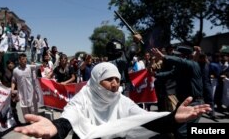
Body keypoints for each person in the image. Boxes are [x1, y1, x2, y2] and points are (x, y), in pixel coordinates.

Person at [14, 62, 211, 139]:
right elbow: (69, 117)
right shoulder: (84, 98)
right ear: (97, 81)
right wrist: (56, 127)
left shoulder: (121, 100)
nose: (115, 84)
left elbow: (142, 118)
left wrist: (173, 118)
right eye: (109, 79)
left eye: (117, 79)